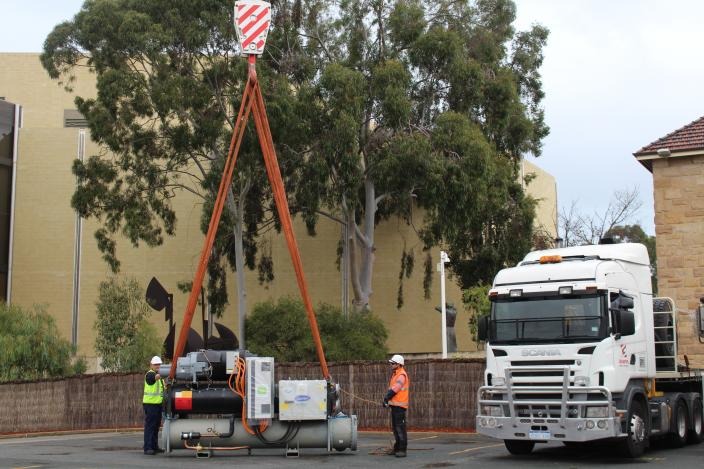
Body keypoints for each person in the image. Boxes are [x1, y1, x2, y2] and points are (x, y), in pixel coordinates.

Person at [383, 354, 409, 457]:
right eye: (391, 363)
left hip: (400, 407)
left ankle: (402, 450)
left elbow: (396, 389)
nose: (391, 364)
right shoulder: (395, 374)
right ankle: (397, 448)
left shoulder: (402, 375)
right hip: (395, 406)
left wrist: (386, 398)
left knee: (400, 429)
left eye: (393, 363)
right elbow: (393, 390)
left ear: (398, 364)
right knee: (396, 428)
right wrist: (387, 401)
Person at [143, 355, 165, 455]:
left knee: (156, 427)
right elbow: (153, 379)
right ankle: (147, 447)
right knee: (150, 426)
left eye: (159, 364)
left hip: (157, 405)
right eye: (156, 364)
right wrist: (164, 373)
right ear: (151, 365)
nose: (158, 366)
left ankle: (154, 447)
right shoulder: (150, 374)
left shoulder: (160, 377)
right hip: (150, 404)